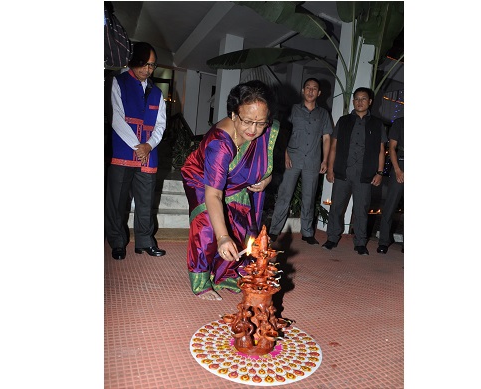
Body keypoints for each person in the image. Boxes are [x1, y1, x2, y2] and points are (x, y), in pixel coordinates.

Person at [181, 80, 279, 301]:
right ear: (234, 115)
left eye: (260, 123)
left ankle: (226, 272)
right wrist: (223, 236)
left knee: (239, 221)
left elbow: (268, 166)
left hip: (236, 181)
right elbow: (214, 194)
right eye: (247, 122)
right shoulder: (220, 145)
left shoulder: (265, 130)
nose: (253, 130)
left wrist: (266, 179)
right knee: (207, 224)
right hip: (200, 179)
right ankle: (200, 279)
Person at [105, 42, 167, 260]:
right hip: (123, 151)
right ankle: (117, 242)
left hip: (149, 153)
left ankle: (145, 241)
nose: (147, 70)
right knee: (117, 201)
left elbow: (161, 124)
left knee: (146, 201)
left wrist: (148, 146)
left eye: (151, 65)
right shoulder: (117, 83)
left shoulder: (158, 93)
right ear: (133, 61)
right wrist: (137, 146)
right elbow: (116, 118)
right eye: (143, 64)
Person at [322, 87, 386, 255]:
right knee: (336, 207)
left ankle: (360, 243)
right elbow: (334, 147)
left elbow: (381, 150)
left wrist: (379, 173)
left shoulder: (377, 124)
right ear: (353, 101)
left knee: (361, 210)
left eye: (363, 99)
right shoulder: (343, 121)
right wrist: (330, 168)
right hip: (343, 171)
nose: (359, 102)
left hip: (365, 175)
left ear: (369, 102)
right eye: (356, 99)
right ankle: (332, 238)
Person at [268, 78, 332, 245]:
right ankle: (274, 230)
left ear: (319, 93)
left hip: (313, 161)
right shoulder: (292, 110)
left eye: (314, 88)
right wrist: (286, 155)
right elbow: (284, 134)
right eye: (308, 88)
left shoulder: (324, 114)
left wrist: (325, 160)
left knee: (309, 198)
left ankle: (307, 232)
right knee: (284, 195)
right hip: (292, 159)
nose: (311, 91)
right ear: (303, 90)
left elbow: (326, 138)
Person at [377, 117, 404, 254]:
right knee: (390, 206)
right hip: (400, 164)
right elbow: (392, 147)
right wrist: (398, 170)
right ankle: (383, 242)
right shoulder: (400, 122)